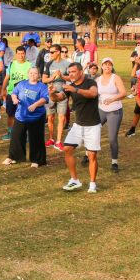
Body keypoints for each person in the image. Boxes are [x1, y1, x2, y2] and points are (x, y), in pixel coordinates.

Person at [59, 62, 101, 193]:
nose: (71, 74)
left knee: (92, 155)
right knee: (67, 148)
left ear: (81, 72)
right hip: (78, 124)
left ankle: (92, 184)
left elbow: (93, 94)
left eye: (73, 72)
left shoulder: (90, 82)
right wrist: (52, 94)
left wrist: (76, 90)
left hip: (92, 125)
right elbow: (59, 98)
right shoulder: (70, 86)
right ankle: (74, 180)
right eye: (69, 72)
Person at [5, 66, 49, 167]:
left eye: (35, 73)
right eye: (31, 73)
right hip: (21, 115)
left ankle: (37, 160)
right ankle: (15, 157)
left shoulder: (42, 86)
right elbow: (14, 93)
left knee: (36, 138)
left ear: (39, 75)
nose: (33, 75)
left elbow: (45, 99)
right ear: (28, 74)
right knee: (16, 136)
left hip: (36, 116)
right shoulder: (22, 84)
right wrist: (15, 99)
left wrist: (35, 105)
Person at [1, 46, 31, 141]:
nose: (21, 56)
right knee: (11, 114)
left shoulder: (30, 65)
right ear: (16, 54)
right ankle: (10, 132)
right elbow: (7, 77)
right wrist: (3, 90)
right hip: (11, 93)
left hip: (24, 95)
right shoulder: (11, 64)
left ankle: (25, 134)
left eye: (22, 54)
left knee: (24, 114)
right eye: (19, 54)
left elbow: (33, 80)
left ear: (25, 54)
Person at [42, 45, 70, 149]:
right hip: (50, 94)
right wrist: (52, 77)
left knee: (61, 117)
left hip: (62, 94)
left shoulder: (67, 64)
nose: (50, 54)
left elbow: (71, 78)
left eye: (52, 52)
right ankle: (51, 139)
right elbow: (44, 79)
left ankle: (58, 141)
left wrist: (62, 76)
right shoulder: (49, 64)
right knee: (50, 117)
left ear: (58, 52)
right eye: (50, 52)